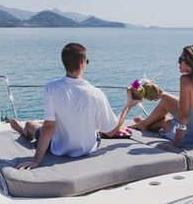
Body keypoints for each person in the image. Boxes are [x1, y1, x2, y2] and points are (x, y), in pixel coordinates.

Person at [9, 43, 140, 170]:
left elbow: (49, 126)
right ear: (82, 63)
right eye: (87, 61)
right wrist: (129, 105)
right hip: (87, 149)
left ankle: (23, 129)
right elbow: (111, 131)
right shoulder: (96, 93)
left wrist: (36, 160)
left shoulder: (51, 88)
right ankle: (22, 129)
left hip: (58, 149)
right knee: (95, 124)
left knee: (31, 124)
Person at [131, 45, 193, 147]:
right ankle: (145, 123)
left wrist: (177, 142)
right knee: (165, 99)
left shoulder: (186, 80)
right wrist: (162, 94)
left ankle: (146, 124)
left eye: (180, 60)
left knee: (165, 121)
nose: (178, 63)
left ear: (190, 62)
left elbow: (183, 115)